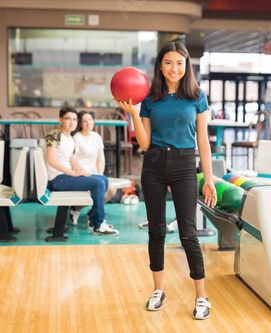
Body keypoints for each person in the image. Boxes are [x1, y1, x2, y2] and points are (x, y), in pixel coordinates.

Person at [115, 42, 217, 320]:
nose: (175, 68)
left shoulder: (197, 96)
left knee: (188, 232)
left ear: (187, 66)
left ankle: (201, 295)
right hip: (154, 165)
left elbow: (203, 143)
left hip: (185, 164)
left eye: (180, 63)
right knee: (157, 230)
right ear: (160, 65)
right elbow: (145, 144)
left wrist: (208, 179)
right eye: (169, 63)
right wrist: (134, 114)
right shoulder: (149, 99)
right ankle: (158, 290)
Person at [45, 106, 119, 235]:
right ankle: (98, 224)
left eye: (74, 119)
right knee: (99, 183)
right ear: (60, 120)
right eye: (68, 119)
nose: (72, 122)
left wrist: (82, 172)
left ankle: (94, 219)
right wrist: (73, 173)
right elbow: (51, 160)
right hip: (57, 179)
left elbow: (74, 163)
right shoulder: (54, 135)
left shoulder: (71, 140)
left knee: (102, 179)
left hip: (66, 177)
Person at [71, 110, 118, 227]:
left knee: (111, 190)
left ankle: (92, 213)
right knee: (95, 191)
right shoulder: (77, 138)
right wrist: (83, 173)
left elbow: (100, 159)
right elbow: (74, 161)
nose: (88, 123)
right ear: (80, 124)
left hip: (95, 174)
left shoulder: (96, 137)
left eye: (90, 120)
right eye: (85, 121)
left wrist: (100, 175)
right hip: (82, 174)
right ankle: (76, 209)